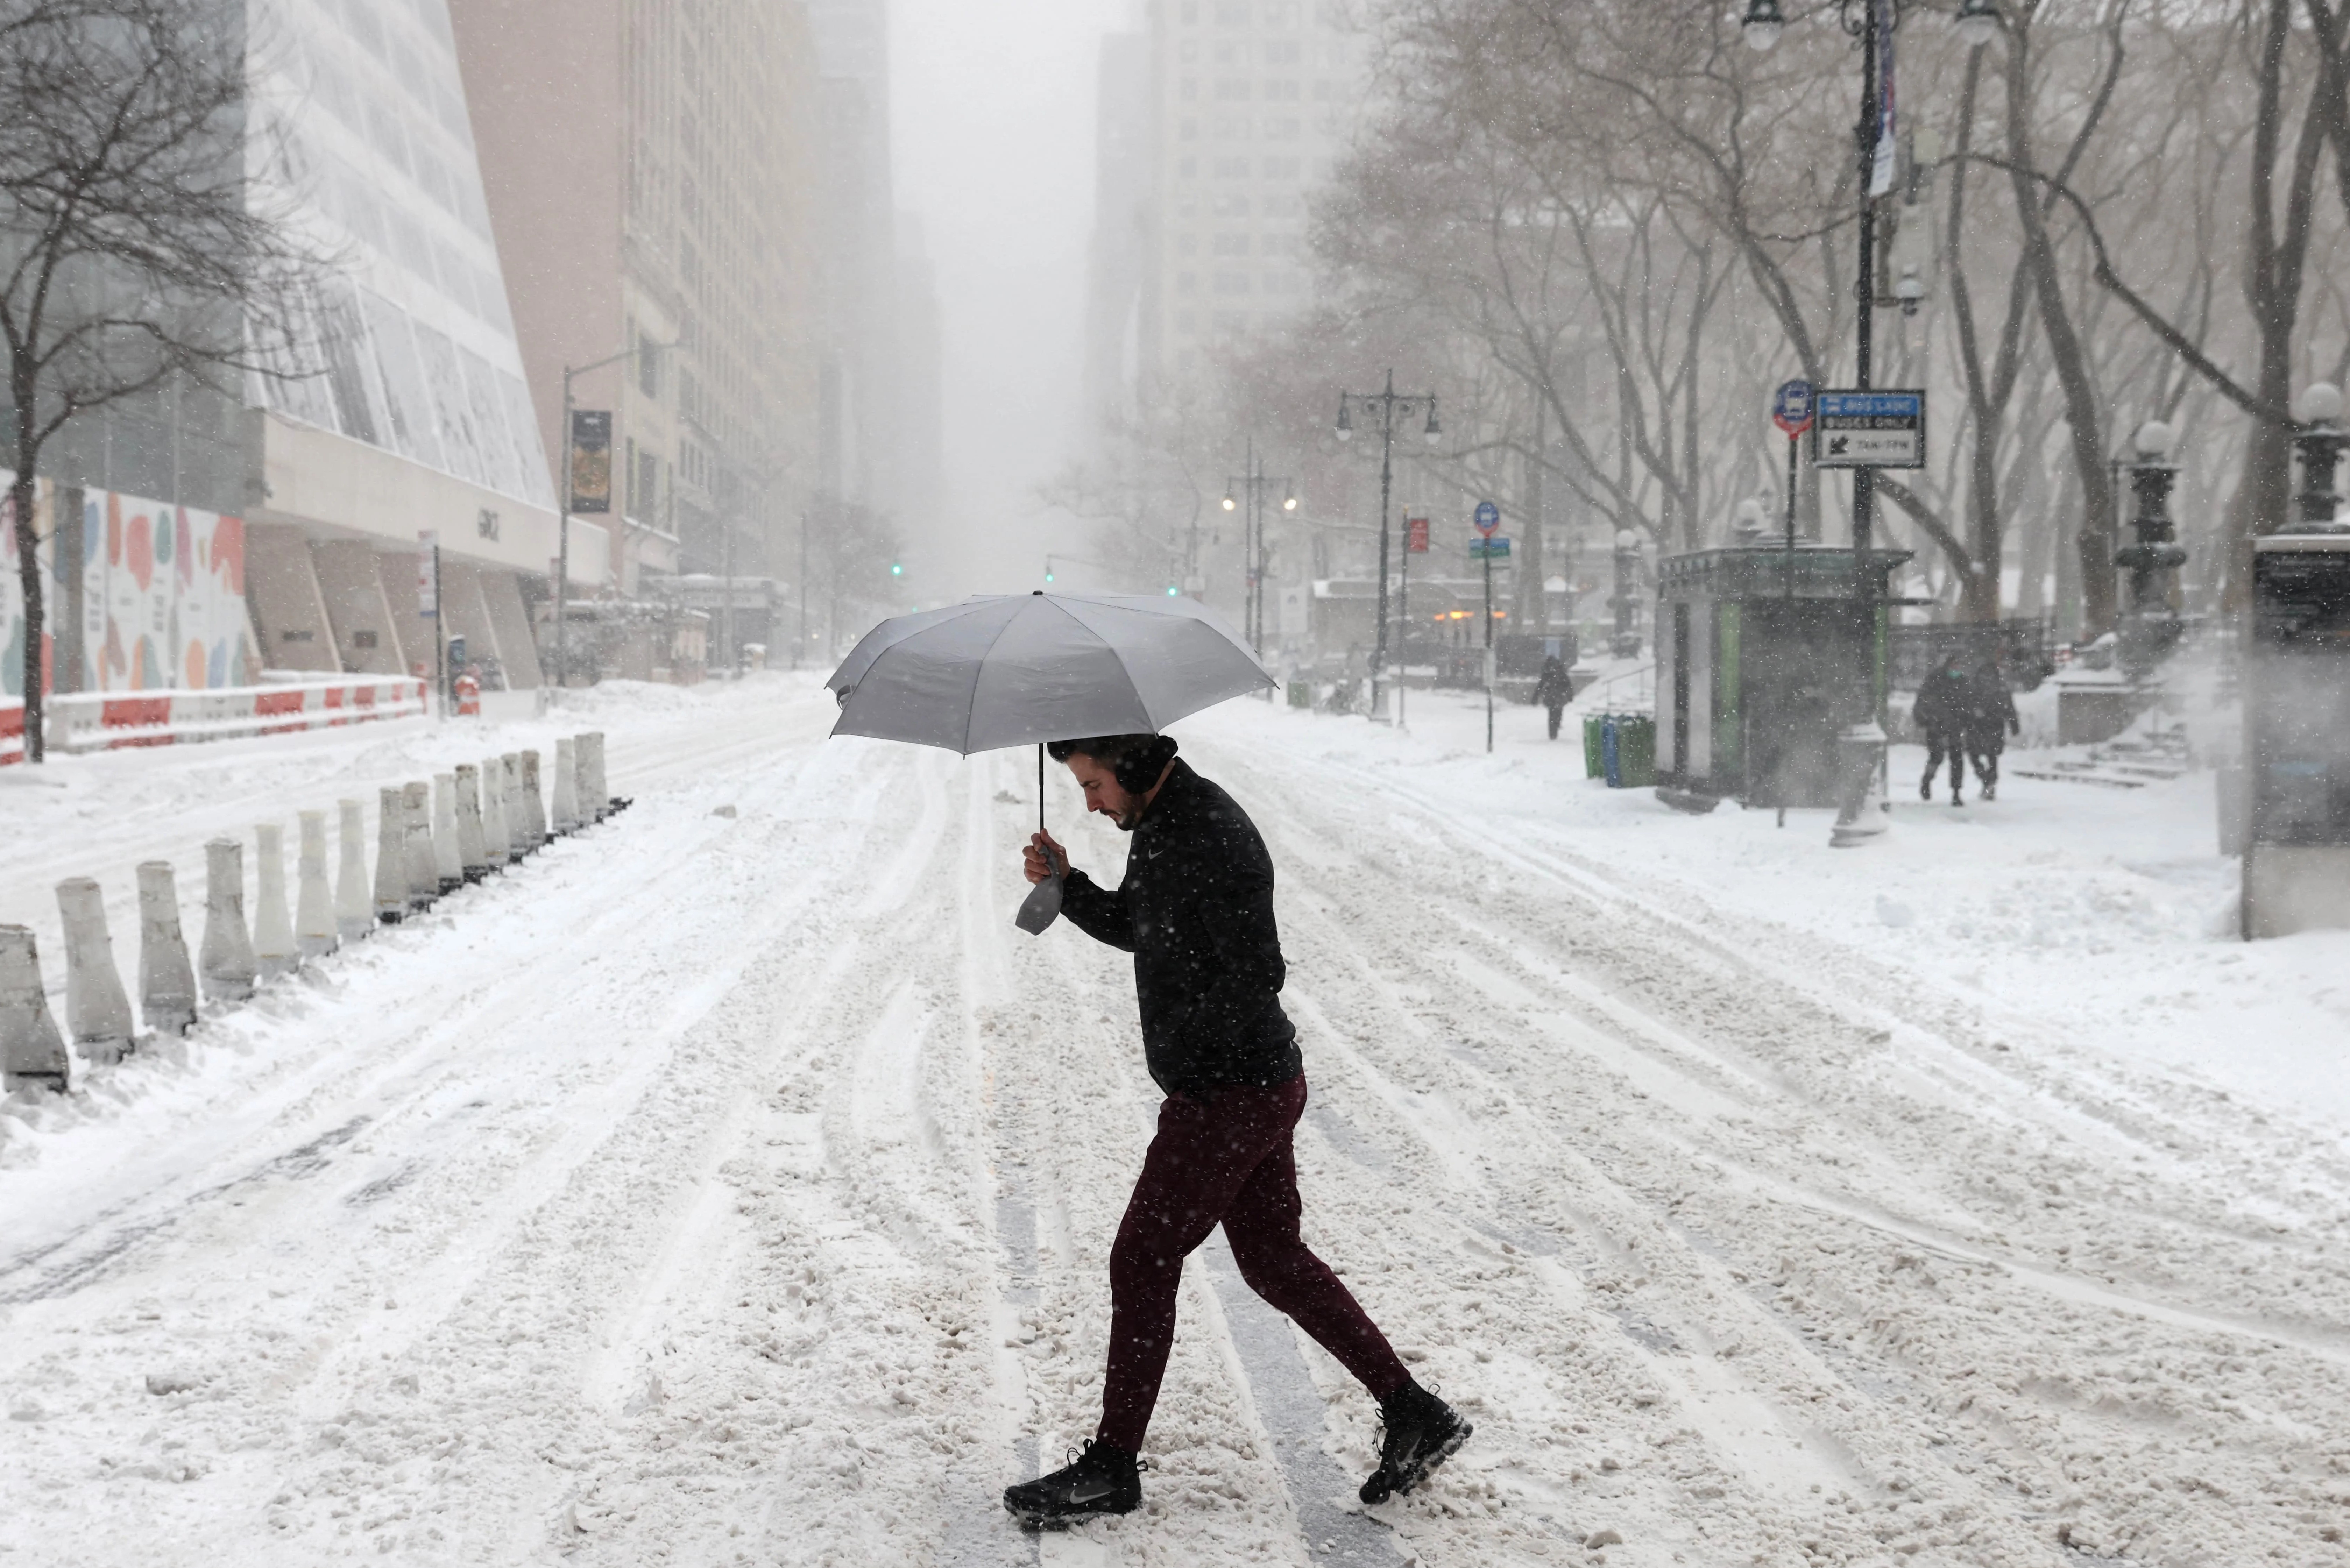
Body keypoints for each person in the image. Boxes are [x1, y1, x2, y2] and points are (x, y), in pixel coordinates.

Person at [1003, 732, 1469, 1526]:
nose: (1088, 801)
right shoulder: (1163, 820)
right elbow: (1144, 926)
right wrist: (1070, 886)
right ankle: (1413, 1409)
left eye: (1091, 783)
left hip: (1228, 1091)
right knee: (1273, 1260)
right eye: (1080, 788)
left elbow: (1256, 971)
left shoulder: (1207, 829)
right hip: (1252, 1081)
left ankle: (1113, 1465)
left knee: (1144, 1254)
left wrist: (1199, 1062)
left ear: (1131, 763)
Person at [1913, 656, 1972, 806]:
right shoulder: (1935, 680)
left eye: (1959, 666)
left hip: (1955, 726)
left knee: (1957, 760)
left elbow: (1969, 703)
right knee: (1936, 757)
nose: (1957, 670)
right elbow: (1923, 701)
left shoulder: (1963, 682)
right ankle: (1927, 780)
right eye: (1954, 666)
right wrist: (1927, 719)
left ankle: (1956, 792)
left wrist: (1967, 720)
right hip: (1937, 725)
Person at [1963, 658, 2021, 802]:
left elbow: (1966, 706)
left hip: (1978, 726)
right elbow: (2009, 708)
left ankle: (1986, 779)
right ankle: (1990, 782)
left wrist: (1971, 716)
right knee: (1992, 757)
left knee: (1975, 756)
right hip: (1994, 726)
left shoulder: (1975, 686)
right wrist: (2014, 724)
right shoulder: (2000, 687)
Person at [1533, 654, 1572, 740]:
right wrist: (1569, 695)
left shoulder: (1547, 673)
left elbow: (1541, 685)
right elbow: (1568, 684)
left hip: (1550, 695)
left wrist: (1536, 697)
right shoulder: (1561, 672)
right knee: (1558, 711)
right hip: (1559, 695)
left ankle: (1553, 732)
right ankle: (1556, 725)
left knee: (1552, 713)